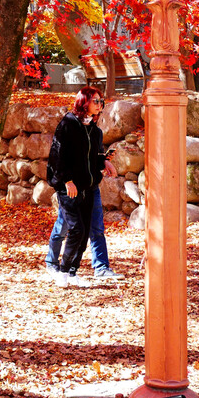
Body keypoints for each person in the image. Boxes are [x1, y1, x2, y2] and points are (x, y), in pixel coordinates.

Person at [44, 86, 123, 287]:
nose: (100, 105)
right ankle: (59, 269)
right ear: (84, 102)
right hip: (69, 187)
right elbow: (57, 156)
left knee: (86, 230)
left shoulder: (94, 131)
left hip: (89, 187)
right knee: (75, 228)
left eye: (101, 101)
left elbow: (93, 160)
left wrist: (105, 161)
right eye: (95, 101)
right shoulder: (68, 124)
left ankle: (71, 272)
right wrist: (67, 180)